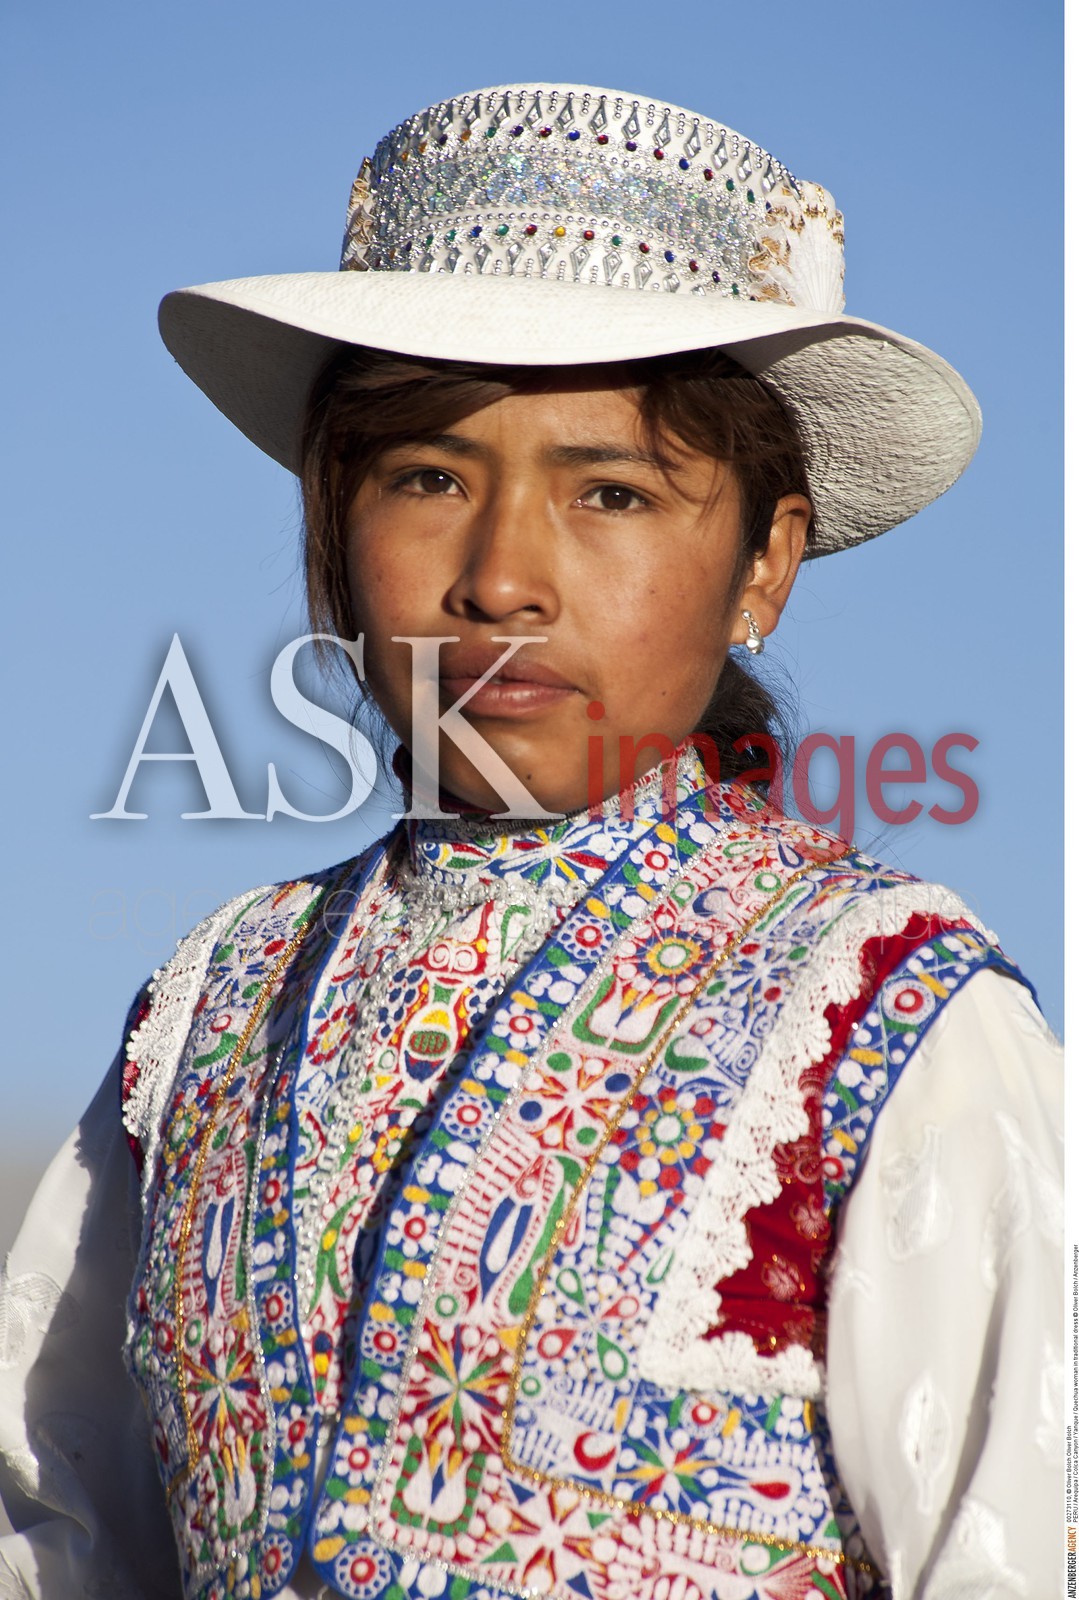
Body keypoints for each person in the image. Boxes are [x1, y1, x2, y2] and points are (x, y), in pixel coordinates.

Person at [0, 81, 1062, 1600]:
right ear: (332, 525)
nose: (501, 579)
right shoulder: (205, 1017)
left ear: (765, 564)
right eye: (428, 477)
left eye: (612, 492)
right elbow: (56, 1530)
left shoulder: (886, 1015)